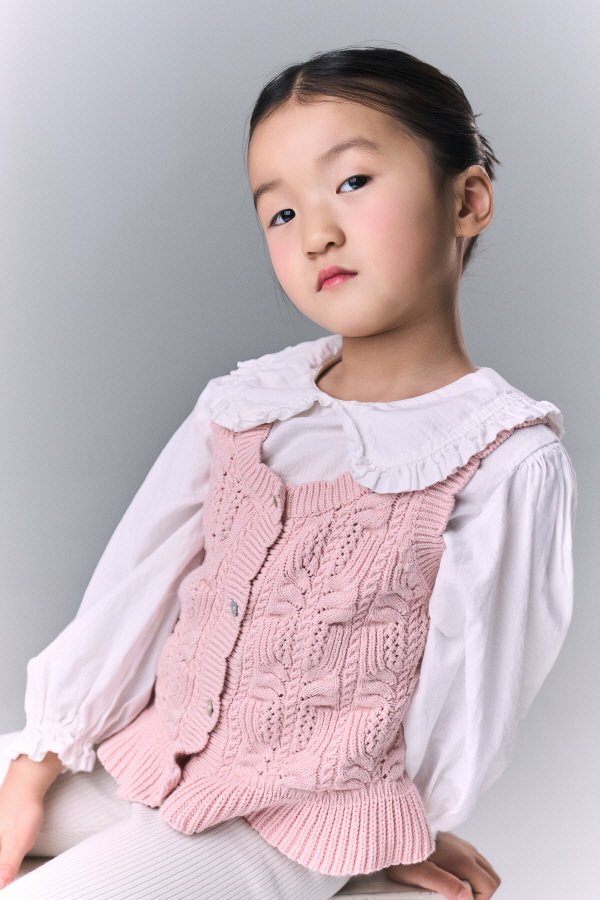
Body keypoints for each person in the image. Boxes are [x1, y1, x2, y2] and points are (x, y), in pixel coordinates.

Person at [0, 47, 575, 900]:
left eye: (353, 182)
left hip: (288, 816)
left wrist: (398, 823)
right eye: (280, 212)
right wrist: (37, 761)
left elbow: (477, 689)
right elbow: (133, 590)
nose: (317, 233)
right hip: (151, 758)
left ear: (467, 200)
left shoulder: (501, 456)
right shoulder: (246, 404)